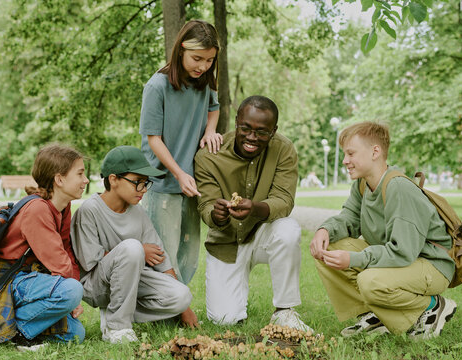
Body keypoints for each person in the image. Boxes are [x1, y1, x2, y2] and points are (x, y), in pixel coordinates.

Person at [310, 121, 456, 339]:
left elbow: (403, 252)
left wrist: (354, 259)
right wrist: (325, 230)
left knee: (370, 281)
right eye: (344, 154)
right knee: (327, 248)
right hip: (405, 260)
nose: (345, 161)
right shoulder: (362, 184)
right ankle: (376, 316)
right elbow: (350, 217)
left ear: (375, 151)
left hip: (431, 264)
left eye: (351, 153)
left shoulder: (398, 187)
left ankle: (432, 306)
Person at [0, 144, 88, 350]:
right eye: (80, 174)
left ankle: (12, 333)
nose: (85, 180)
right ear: (59, 179)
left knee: (76, 335)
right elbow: (58, 262)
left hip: (30, 280)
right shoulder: (37, 209)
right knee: (72, 290)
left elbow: (66, 251)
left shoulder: (62, 207)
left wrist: (70, 300)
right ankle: (14, 329)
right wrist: (73, 299)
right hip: (9, 282)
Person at [194, 95, 314, 332]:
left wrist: (256, 208)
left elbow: (284, 201)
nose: (252, 137)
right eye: (245, 128)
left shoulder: (284, 149)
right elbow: (205, 205)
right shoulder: (209, 156)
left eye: (261, 132)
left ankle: (284, 310)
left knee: (288, 229)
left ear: (273, 131)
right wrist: (216, 215)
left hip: (263, 235)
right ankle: (235, 295)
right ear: (237, 122)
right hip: (226, 242)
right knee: (224, 320)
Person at [70, 146, 197, 344]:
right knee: (133, 247)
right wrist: (139, 251)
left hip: (131, 282)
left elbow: (162, 262)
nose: (144, 189)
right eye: (137, 182)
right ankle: (116, 327)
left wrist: (184, 309)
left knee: (181, 295)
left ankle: (119, 310)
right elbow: (89, 262)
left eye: (146, 183)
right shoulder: (89, 210)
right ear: (113, 179)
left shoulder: (138, 213)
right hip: (95, 285)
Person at [139, 19, 222, 284]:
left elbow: (214, 107)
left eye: (209, 60)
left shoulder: (205, 82)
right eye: (197, 58)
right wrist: (178, 173)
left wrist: (210, 131)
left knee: (189, 253)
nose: (203, 66)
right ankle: (168, 304)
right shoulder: (156, 86)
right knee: (165, 253)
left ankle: (178, 304)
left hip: (192, 180)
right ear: (181, 49)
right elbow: (154, 139)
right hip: (163, 182)